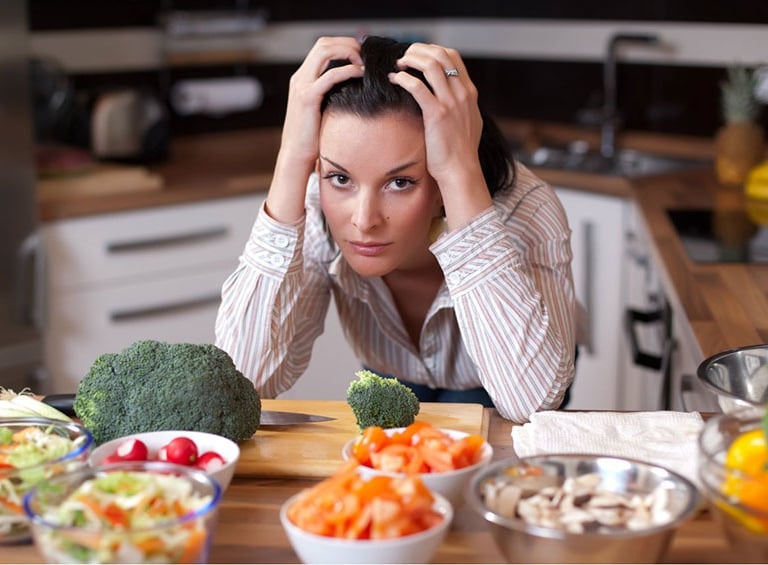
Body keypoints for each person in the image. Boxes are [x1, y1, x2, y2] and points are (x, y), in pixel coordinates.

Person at [215, 35, 577, 422]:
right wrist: (291, 158)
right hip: (390, 374)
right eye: (340, 177)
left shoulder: (525, 210)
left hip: (508, 380)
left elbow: (531, 404)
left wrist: (459, 172)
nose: (363, 219)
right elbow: (243, 381)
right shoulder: (315, 202)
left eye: (400, 182)